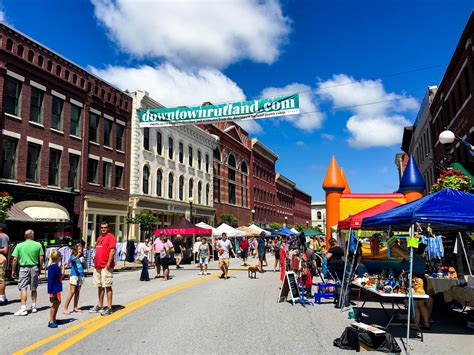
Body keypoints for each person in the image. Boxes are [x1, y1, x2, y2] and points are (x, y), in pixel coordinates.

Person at [392, 242, 431, 329]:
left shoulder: (412, 257)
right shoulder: (422, 259)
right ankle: (426, 323)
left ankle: (415, 324)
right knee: (421, 304)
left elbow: (397, 249)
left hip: (415, 280)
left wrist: (391, 241)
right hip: (422, 280)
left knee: (415, 304)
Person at [11, 229, 44, 316]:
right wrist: (40, 268)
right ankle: (34, 306)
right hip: (34, 267)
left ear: (25, 236)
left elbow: (15, 259)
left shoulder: (19, 245)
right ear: (32, 236)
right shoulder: (38, 245)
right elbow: (41, 258)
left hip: (24, 268)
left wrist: (13, 270)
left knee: (23, 288)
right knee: (33, 287)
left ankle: (23, 308)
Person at [89, 221, 116, 316]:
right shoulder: (99, 238)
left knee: (107, 286)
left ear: (108, 228)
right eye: (101, 227)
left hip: (106, 266)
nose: (103, 229)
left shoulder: (111, 237)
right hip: (98, 266)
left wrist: (109, 263)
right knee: (99, 286)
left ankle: (109, 307)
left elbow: (112, 250)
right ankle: (100, 305)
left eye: (105, 227)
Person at [63, 243, 86, 314]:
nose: (80, 250)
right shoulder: (73, 256)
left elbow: (84, 267)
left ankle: (75, 307)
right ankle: (65, 308)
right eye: (79, 248)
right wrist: (78, 255)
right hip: (74, 275)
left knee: (77, 292)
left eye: (81, 248)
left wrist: (83, 262)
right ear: (75, 249)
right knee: (72, 291)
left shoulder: (82, 257)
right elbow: (73, 260)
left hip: (81, 275)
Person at [47, 250, 64, 328]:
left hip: (52, 288)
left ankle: (54, 319)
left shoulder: (51, 266)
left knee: (57, 302)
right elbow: (60, 278)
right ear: (58, 258)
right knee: (55, 304)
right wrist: (63, 269)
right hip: (55, 288)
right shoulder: (55, 267)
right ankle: (51, 320)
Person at [0, 225, 9, 305]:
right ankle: (3, 297)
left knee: (1, 279)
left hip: (1, 259)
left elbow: (5, 250)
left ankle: (2, 298)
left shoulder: (3, 236)